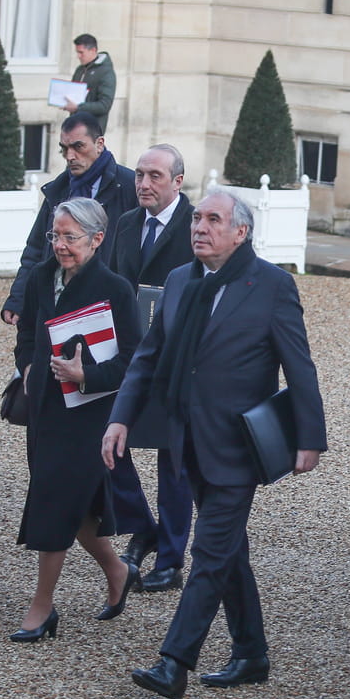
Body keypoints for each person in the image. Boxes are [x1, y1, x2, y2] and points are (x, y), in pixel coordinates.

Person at [104, 189, 327, 699]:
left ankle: (173, 662)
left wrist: (309, 437)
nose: (199, 227)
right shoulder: (181, 280)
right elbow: (148, 357)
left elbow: (299, 365)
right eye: (197, 218)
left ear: (240, 232)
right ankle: (251, 652)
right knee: (230, 552)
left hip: (238, 446)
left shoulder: (272, 285)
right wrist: (121, 419)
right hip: (186, 438)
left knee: (208, 554)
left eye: (213, 220)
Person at [10, 199, 141, 642]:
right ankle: (117, 570)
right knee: (78, 507)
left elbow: (134, 362)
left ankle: (42, 606)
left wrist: (88, 375)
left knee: (53, 499)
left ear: (98, 239)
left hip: (91, 418)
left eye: (70, 237)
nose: (60, 245)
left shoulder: (116, 289)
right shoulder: (42, 276)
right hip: (45, 411)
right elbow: (26, 333)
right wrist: (27, 368)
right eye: (55, 235)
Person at [109, 144, 198, 592]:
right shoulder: (126, 223)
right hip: (129, 355)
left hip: (179, 361)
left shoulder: (199, 227)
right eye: (140, 175)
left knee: (174, 463)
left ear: (178, 181)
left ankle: (171, 558)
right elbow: (111, 285)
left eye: (155, 176)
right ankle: (143, 526)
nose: (143, 184)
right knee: (107, 444)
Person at [2, 112, 137, 326]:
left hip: (107, 300)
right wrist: (18, 298)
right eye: (64, 149)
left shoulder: (130, 187)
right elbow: (36, 248)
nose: (70, 156)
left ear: (99, 143)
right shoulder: (59, 189)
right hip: (58, 294)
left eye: (78, 147)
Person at [65, 34, 116, 134]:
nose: (78, 56)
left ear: (93, 50)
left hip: (92, 131)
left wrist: (77, 107)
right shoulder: (80, 70)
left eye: (81, 52)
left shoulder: (106, 72)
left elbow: (104, 105)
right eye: (77, 52)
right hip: (74, 127)